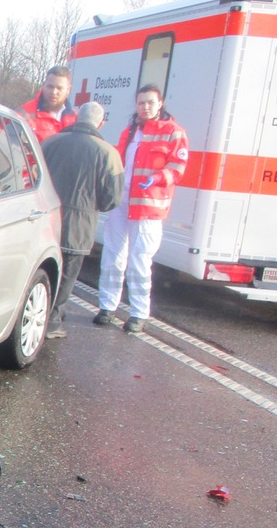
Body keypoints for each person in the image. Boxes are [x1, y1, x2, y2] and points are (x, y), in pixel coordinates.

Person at [94, 84, 189, 334]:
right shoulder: (131, 130)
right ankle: (107, 306)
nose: (145, 107)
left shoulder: (173, 132)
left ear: (160, 104)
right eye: (141, 103)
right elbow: (119, 159)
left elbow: (178, 166)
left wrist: (158, 178)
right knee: (113, 255)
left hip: (148, 206)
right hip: (122, 201)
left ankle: (138, 313)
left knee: (139, 261)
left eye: (150, 102)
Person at [40, 102, 123, 339]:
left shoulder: (50, 143)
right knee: (67, 274)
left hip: (47, 218)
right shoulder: (108, 153)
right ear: (101, 122)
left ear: (77, 117)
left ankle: (37, 314)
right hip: (80, 224)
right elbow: (112, 198)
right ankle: (53, 320)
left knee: (42, 268)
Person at [18, 65, 77, 142]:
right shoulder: (23, 114)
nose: (54, 92)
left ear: (68, 90)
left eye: (59, 88)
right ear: (44, 85)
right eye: (50, 87)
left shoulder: (75, 119)